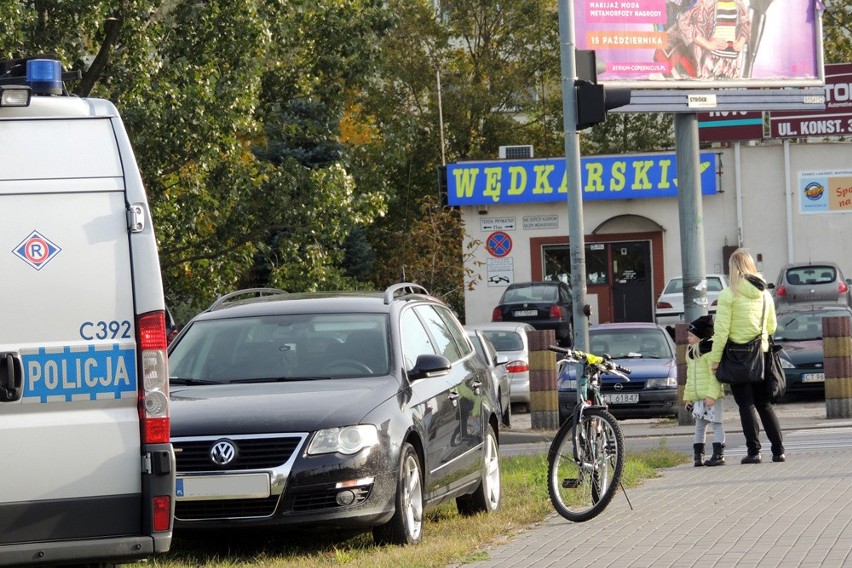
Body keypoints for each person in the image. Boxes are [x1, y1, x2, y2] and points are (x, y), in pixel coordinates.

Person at [710, 249, 785, 464]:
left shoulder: (728, 295)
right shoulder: (765, 294)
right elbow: (772, 326)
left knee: (746, 405)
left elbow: (721, 332)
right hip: (761, 355)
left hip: (737, 357)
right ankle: (779, 451)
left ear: (733, 268)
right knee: (764, 404)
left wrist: (715, 361)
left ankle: (754, 452)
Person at [684, 314, 726, 466]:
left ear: (700, 336)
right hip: (698, 398)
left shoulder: (710, 353)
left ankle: (718, 454)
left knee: (716, 423)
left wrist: (711, 395)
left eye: (690, 335)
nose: (688, 338)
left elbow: (714, 377)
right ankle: (698, 456)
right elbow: (689, 379)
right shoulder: (691, 354)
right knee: (700, 425)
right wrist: (688, 398)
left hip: (711, 397)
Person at [676, 0, 752, 79]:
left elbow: (747, 24)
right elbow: (682, 20)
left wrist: (741, 42)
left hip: (731, 62)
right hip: (709, 61)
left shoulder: (739, 2)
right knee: (708, 90)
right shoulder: (705, 2)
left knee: (729, 90)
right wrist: (707, 44)